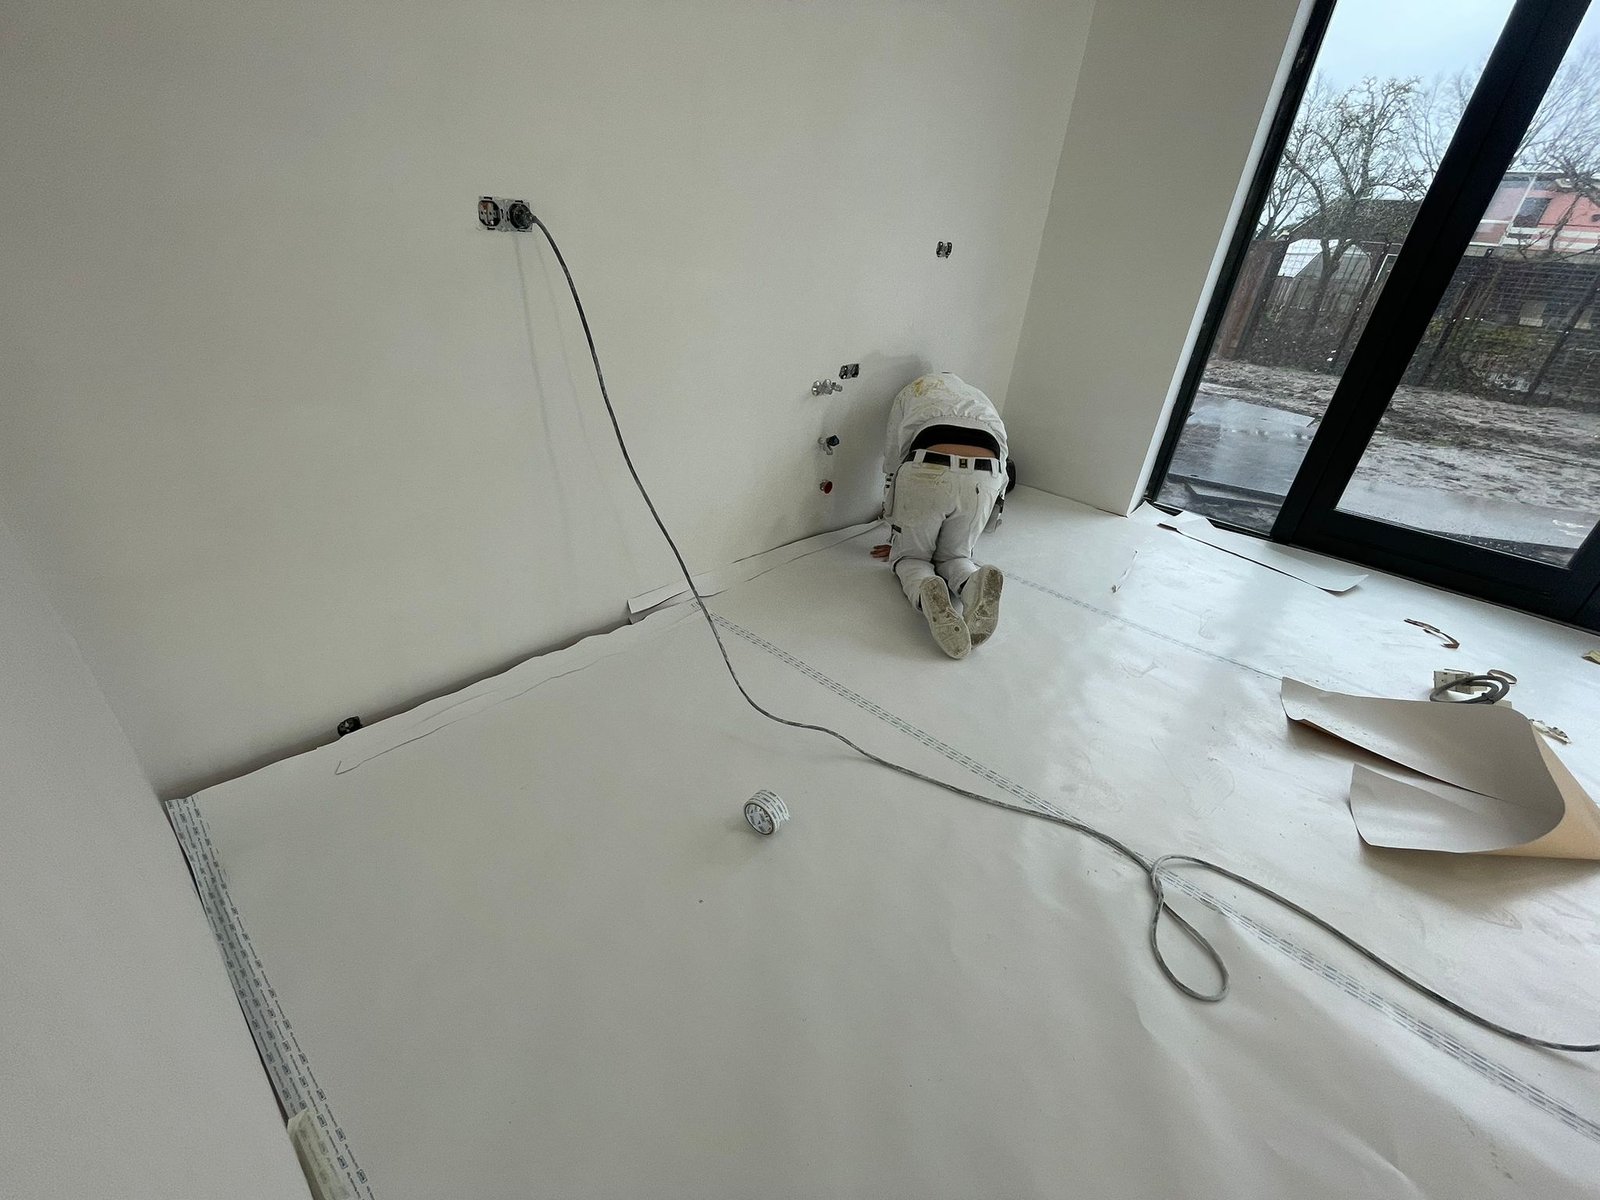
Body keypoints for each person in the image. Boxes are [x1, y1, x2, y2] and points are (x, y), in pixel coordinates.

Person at [872, 372, 1007, 660]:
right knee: (955, 556)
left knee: (912, 559)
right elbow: (1003, 465)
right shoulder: (978, 397)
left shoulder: (910, 393)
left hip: (929, 467)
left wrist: (896, 532)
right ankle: (971, 584)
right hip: (987, 475)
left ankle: (926, 587)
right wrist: (990, 517)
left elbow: (894, 463)